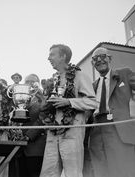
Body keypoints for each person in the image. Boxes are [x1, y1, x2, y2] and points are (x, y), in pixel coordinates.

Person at [39, 44, 97, 177]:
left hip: (72, 131)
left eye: (52, 54)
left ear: (63, 56)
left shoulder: (80, 75)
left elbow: (93, 102)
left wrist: (69, 102)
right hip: (53, 132)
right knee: (48, 172)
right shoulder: (54, 79)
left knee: (72, 173)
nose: (48, 58)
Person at [89, 47, 135, 177]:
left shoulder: (124, 74)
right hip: (97, 129)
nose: (99, 60)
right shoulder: (93, 85)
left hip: (118, 128)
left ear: (110, 58)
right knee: (101, 169)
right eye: (95, 59)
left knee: (122, 170)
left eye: (103, 56)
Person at [16, 74, 46, 177]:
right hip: (18, 147)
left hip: (35, 146)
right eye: (27, 81)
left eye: (33, 82)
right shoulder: (19, 97)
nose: (30, 84)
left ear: (38, 84)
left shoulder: (42, 99)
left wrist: (29, 135)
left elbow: (43, 118)